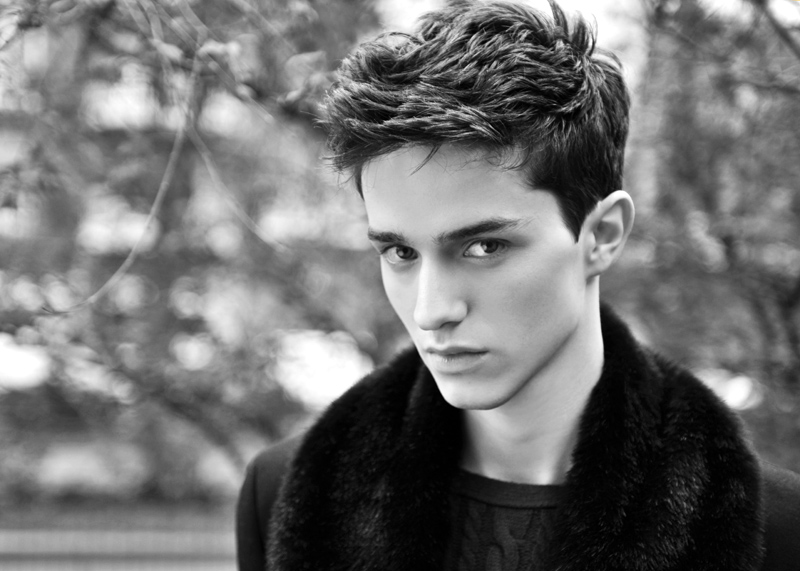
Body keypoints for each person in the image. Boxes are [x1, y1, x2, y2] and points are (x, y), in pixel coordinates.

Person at [236, 1, 800, 569]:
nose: (432, 310)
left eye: (484, 247)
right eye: (400, 252)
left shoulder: (777, 531)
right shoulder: (284, 496)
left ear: (602, 236)